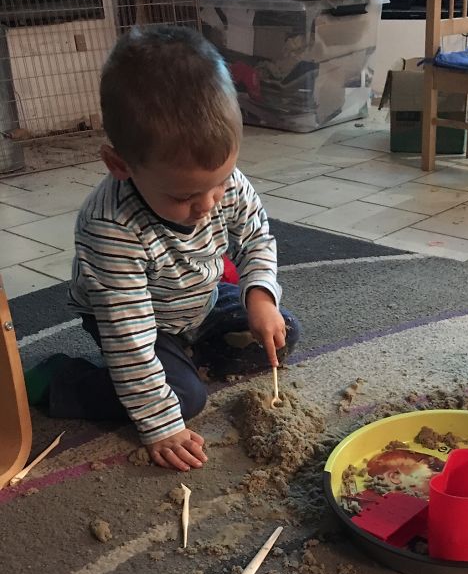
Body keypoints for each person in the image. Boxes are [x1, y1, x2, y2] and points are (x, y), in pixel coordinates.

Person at [26, 25, 300, 472]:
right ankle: (61, 382)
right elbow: (130, 340)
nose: (207, 205)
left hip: (196, 298)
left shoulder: (218, 182)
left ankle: (187, 355)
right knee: (184, 400)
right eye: (183, 197)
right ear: (121, 165)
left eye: (217, 185)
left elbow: (255, 237)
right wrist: (160, 424)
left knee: (280, 330)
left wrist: (260, 297)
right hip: (134, 322)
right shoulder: (110, 226)